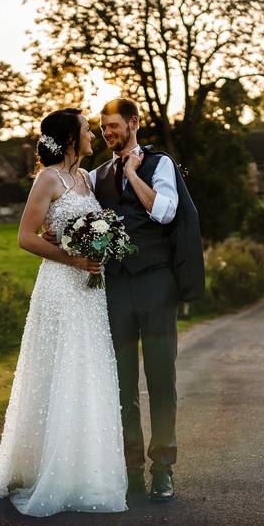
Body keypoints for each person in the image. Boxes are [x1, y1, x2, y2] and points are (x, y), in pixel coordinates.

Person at [0, 108, 127, 517]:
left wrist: (97, 251)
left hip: (89, 292)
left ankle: (82, 470)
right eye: (85, 130)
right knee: (57, 368)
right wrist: (73, 259)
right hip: (61, 286)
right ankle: (41, 469)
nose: (93, 136)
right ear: (69, 138)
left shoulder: (83, 178)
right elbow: (25, 237)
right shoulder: (48, 179)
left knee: (85, 369)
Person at [89, 97, 182, 503]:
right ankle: (130, 468)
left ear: (133, 122)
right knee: (122, 382)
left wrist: (132, 171)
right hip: (116, 289)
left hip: (156, 286)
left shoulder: (160, 165)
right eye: (103, 127)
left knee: (161, 379)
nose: (107, 133)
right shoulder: (96, 176)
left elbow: (164, 212)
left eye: (113, 126)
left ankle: (163, 466)